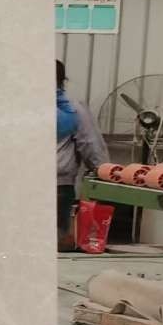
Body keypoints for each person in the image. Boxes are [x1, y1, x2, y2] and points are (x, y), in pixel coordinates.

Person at [57, 60, 107, 250]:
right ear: (62, 81)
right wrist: (102, 172)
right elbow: (89, 143)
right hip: (58, 184)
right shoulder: (72, 108)